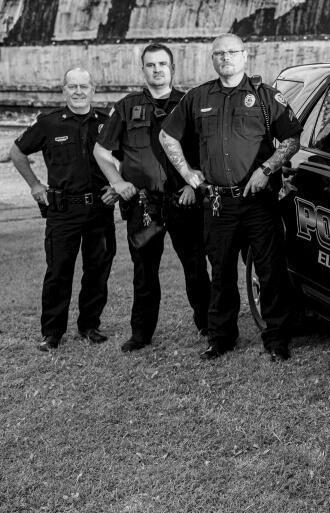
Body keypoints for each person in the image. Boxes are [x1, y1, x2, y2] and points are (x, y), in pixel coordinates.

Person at [159, 33, 301, 361]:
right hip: (218, 202)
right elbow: (167, 135)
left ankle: (277, 338)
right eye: (219, 53)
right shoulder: (197, 97)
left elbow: (292, 138)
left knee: (270, 271)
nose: (226, 58)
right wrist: (188, 174)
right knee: (221, 272)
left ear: (245, 56)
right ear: (213, 59)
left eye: (232, 52)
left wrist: (267, 168)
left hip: (258, 201)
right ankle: (221, 337)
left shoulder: (266, 96)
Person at [93, 43, 211, 352]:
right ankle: (141, 334)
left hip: (183, 200)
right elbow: (101, 151)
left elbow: (205, 150)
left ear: (173, 68)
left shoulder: (190, 103)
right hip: (143, 205)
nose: (157, 69)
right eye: (150, 64)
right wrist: (117, 182)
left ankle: (208, 325)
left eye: (162, 64)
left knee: (195, 267)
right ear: (142, 69)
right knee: (144, 271)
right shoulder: (126, 106)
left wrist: (193, 184)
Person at [9, 68, 118, 351]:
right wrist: (35, 185)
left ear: (93, 89)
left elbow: (128, 155)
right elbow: (17, 152)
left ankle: (89, 326)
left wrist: (117, 186)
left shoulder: (107, 123)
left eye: (84, 86)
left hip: (99, 208)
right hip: (62, 210)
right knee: (58, 271)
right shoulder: (49, 124)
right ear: (64, 90)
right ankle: (52, 333)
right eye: (72, 86)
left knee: (98, 270)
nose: (78, 91)